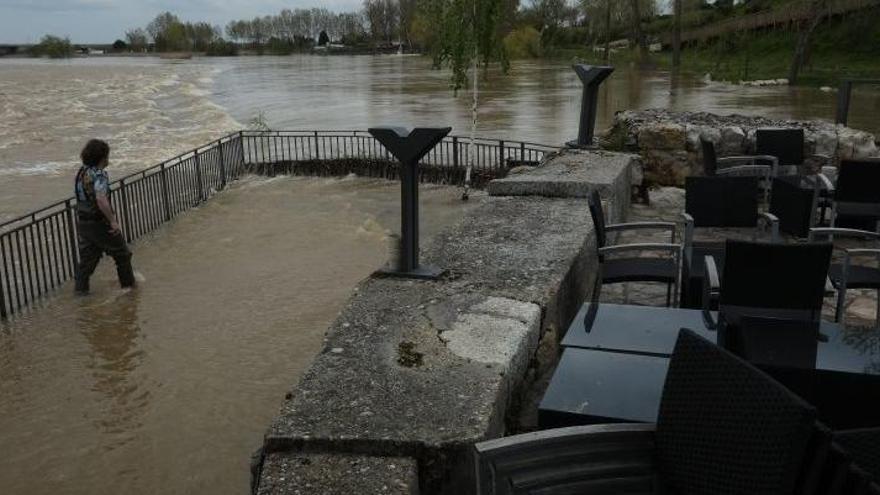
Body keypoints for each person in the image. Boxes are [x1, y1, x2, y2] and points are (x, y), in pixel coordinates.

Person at [74, 139, 136, 294]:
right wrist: (113, 221)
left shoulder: (82, 172)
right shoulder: (99, 175)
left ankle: (80, 295)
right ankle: (128, 290)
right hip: (99, 222)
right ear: (102, 157)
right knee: (122, 254)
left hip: (83, 222)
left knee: (87, 262)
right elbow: (101, 199)